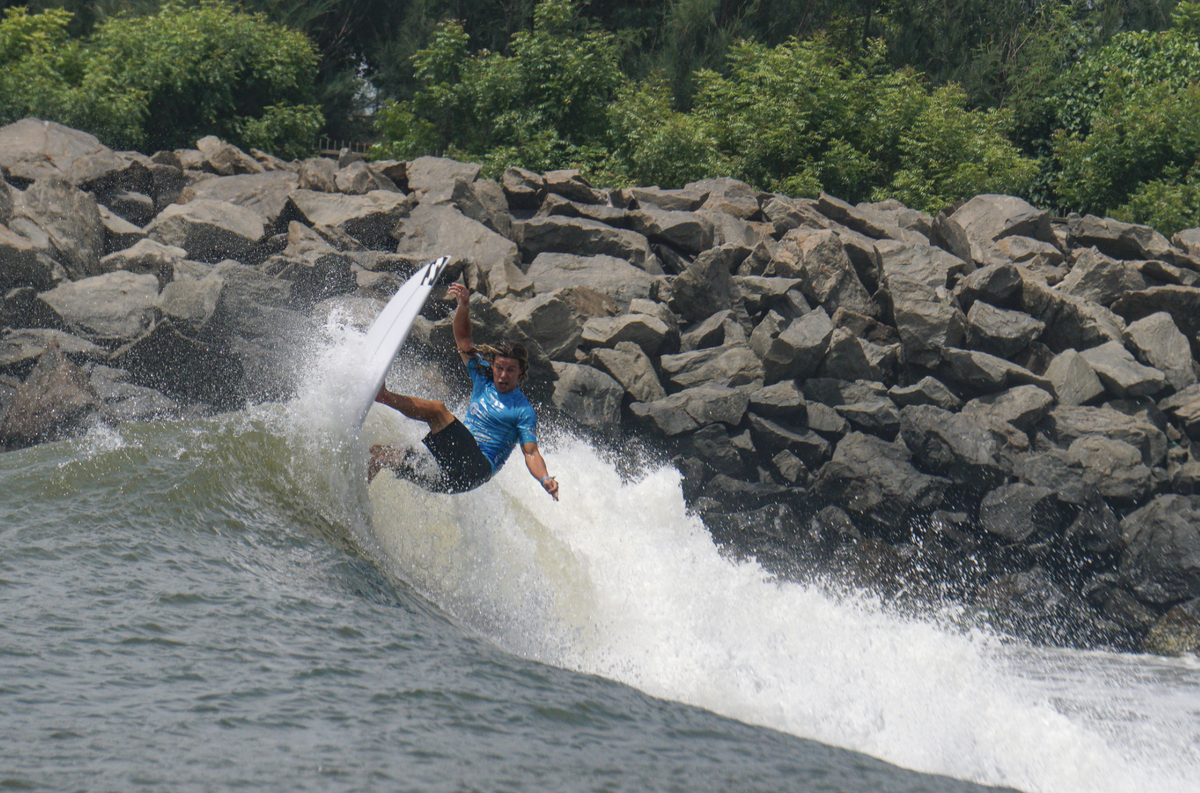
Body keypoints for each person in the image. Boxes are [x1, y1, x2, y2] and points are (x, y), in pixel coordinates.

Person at [368, 281, 559, 500]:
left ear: (521, 371)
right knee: (379, 455)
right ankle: (354, 501)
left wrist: (545, 478)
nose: (503, 375)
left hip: (475, 470)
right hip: (446, 473)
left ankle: (384, 396)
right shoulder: (483, 377)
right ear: (493, 366)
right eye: (499, 368)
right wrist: (464, 306)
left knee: (438, 411)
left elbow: (531, 452)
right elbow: (463, 340)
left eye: (510, 370)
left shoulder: (523, 410)